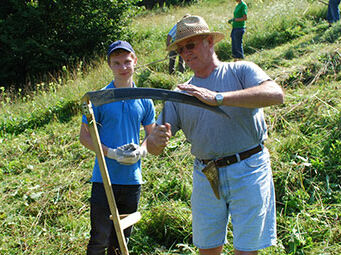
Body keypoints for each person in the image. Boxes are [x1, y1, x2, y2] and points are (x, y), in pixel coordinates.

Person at [147, 15, 284, 255]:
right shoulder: (180, 93)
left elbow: (275, 94)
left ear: (209, 41)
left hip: (248, 168)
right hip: (206, 175)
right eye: (180, 50)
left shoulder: (241, 70)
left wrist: (218, 98)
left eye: (191, 45)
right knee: (208, 249)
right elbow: (154, 147)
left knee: (247, 249)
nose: (186, 53)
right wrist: (155, 141)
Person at [80, 40, 156, 255]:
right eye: (117, 63)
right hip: (104, 178)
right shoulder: (99, 98)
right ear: (109, 65)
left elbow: (152, 136)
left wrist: (141, 151)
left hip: (132, 179)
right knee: (99, 238)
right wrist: (111, 153)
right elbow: (85, 137)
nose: (123, 68)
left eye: (126, 62)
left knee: (121, 239)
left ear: (135, 62)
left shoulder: (144, 99)